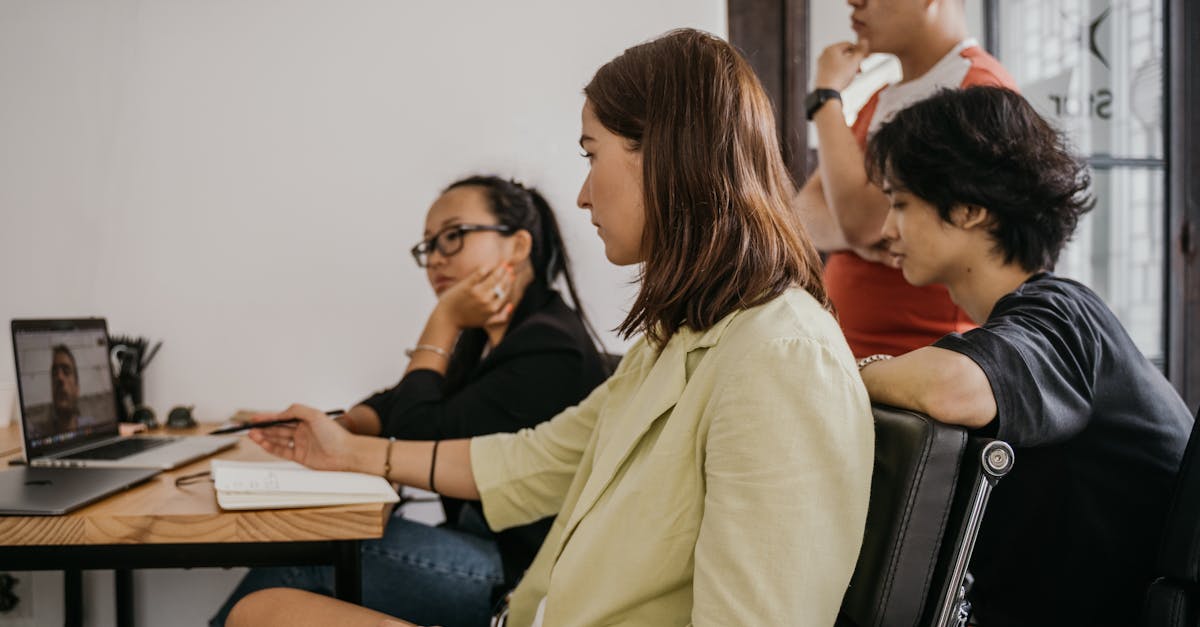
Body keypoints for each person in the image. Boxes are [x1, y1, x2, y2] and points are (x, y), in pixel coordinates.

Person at [226, 28, 874, 627]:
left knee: (268, 601)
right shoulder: (676, 340)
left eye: (592, 155)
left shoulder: (780, 359)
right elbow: (530, 458)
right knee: (265, 609)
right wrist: (343, 448)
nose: (584, 194)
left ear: (668, 154)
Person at [857, 86, 1194, 627]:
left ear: (968, 207)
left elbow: (952, 387)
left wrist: (852, 372)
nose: (885, 230)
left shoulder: (1062, 313)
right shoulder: (1028, 322)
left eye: (900, 203)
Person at [211, 176, 610, 627]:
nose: (436, 258)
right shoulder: (493, 335)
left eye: (453, 236)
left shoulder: (548, 345)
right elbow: (401, 400)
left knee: (306, 560)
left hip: (521, 574)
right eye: (428, 247)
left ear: (517, 247)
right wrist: (347, 426)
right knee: (312, 549)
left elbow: (418, 427)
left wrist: (443, 320)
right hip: (482, 544)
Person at [793, 0, 1015, 357]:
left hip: (919, 362)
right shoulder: (883, 98)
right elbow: (805, 212)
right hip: (859, 358)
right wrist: (859, 231)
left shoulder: (975, 93)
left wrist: (826, 97)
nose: (853, 2)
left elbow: (860, 221)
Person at [49, 345, 81, 432]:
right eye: (54, 373)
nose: (59, 377)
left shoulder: (93, 426)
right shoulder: (38, 433)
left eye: (66, 371)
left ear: (77, 388)